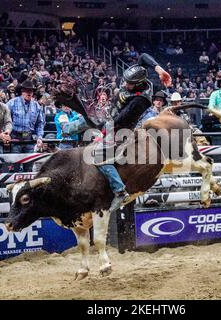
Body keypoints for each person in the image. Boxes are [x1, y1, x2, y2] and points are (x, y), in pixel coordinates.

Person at [57, 53, 171, 213]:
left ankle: (119, 191)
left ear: (138, 84)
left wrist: (102, 133)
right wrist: (160, 70)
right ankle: (66, 128)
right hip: (112, 117)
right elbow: (144, 57)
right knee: (85, 121)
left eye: (129, 83)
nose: (125, 83)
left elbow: (119, 121)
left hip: (121, 130)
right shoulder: (139, 76)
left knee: (99, 157)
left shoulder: (141, 101)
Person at [7, 79, 45, 172]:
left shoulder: (36, 105)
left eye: (31, 91)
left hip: (29, 139)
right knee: (14, 167)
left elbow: (40, 123)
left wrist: (39, 137)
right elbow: (5, 120)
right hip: (15, 137)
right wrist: (6, 134)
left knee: (28, 168)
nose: (29, 93)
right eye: (27, 90)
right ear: (22, 91)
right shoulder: (12, 103)